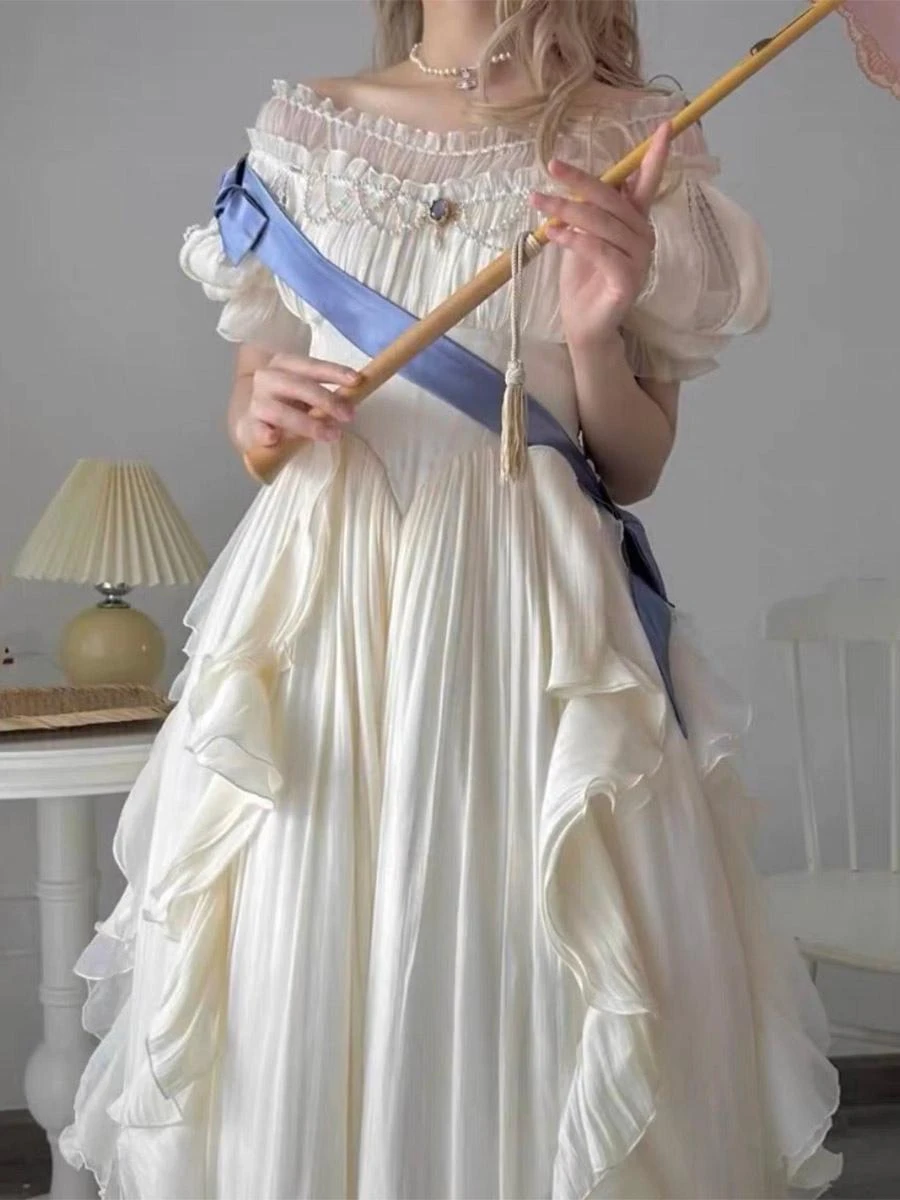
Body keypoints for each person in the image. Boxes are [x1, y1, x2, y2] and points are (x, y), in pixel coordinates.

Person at [60, 1, 843, 1197]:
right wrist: (262, 419)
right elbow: (256, 418)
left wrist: (593, 332)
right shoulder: (304, 129)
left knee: (529, 954)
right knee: (305, 943)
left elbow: (632, 464)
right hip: (326, 612)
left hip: (527, 621)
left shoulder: (633, 137)